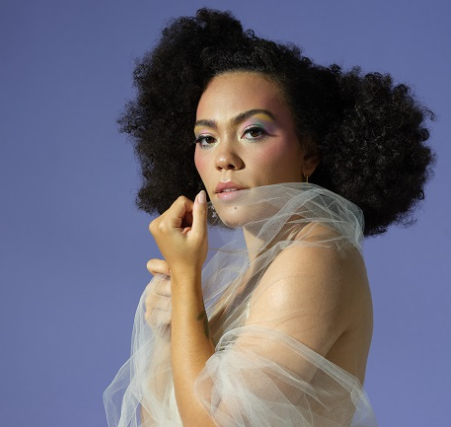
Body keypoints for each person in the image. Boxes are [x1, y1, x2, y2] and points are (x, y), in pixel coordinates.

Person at [105, 8, 434, 427]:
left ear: (309, 153)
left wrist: (186, 282)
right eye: (206, 138)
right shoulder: (244, 278)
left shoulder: (315, 256)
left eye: (253, 131)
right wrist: (171, 332)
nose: (224, 158)